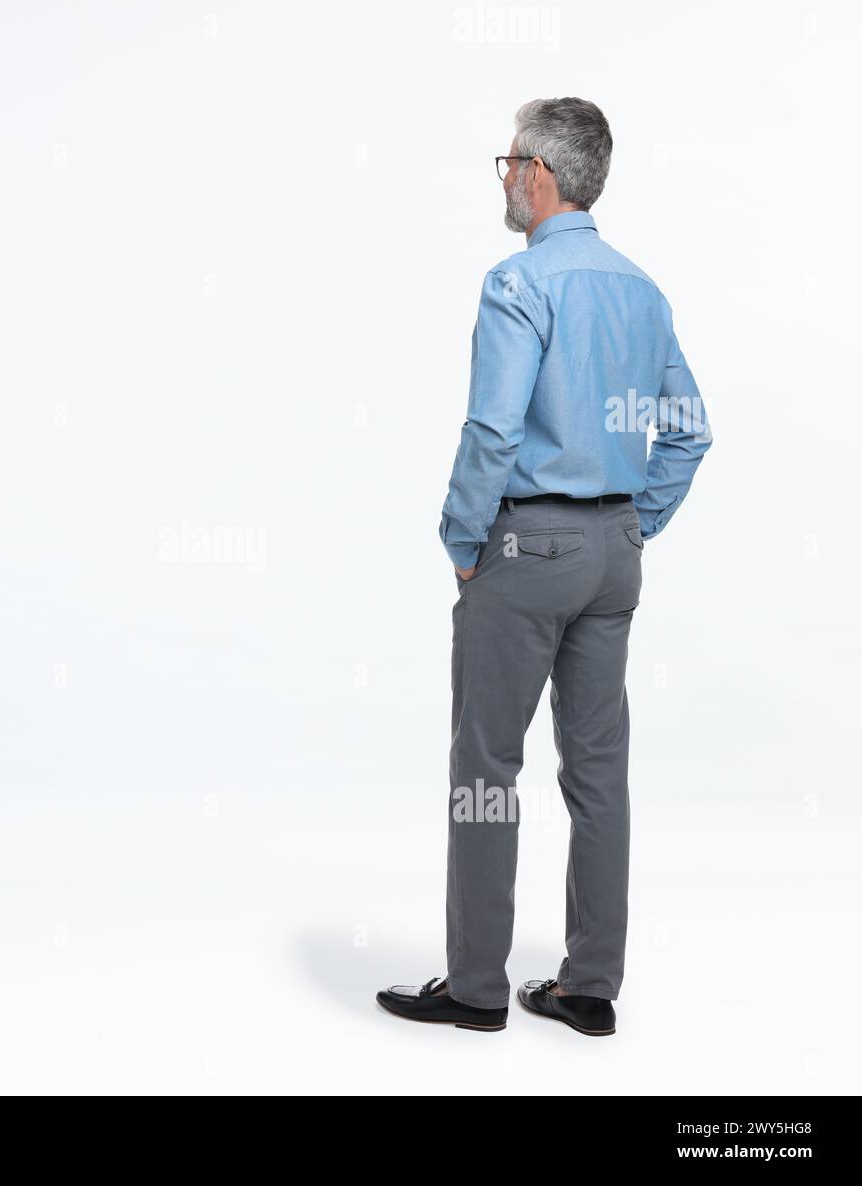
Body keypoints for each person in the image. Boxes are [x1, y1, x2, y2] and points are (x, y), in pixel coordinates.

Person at [377, 98, 712, 1035]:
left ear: (540, 174)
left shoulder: (521, 282)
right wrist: (631, 522)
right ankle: (588, 987)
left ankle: (479, 988)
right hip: (611, 560)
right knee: (600, 774)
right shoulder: (643, 291)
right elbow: (690, 432)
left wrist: (461, 543)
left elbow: (493, 426)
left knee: (486, 766)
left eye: (508, 161)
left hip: (526, 551)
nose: (505, 177)